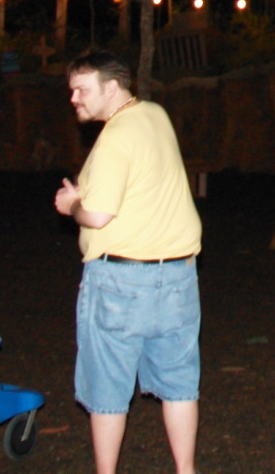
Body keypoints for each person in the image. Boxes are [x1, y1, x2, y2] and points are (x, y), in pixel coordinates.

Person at [54, 50, 202, 474]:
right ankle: (186, 470)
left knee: (107, 388)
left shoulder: (114, 137)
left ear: (111, 87)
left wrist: (72, 205)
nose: (74, 99)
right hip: (177, 276)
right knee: (179, 384)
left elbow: (97, 215)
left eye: (82, 89)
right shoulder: (155, 114)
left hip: (121, 282)